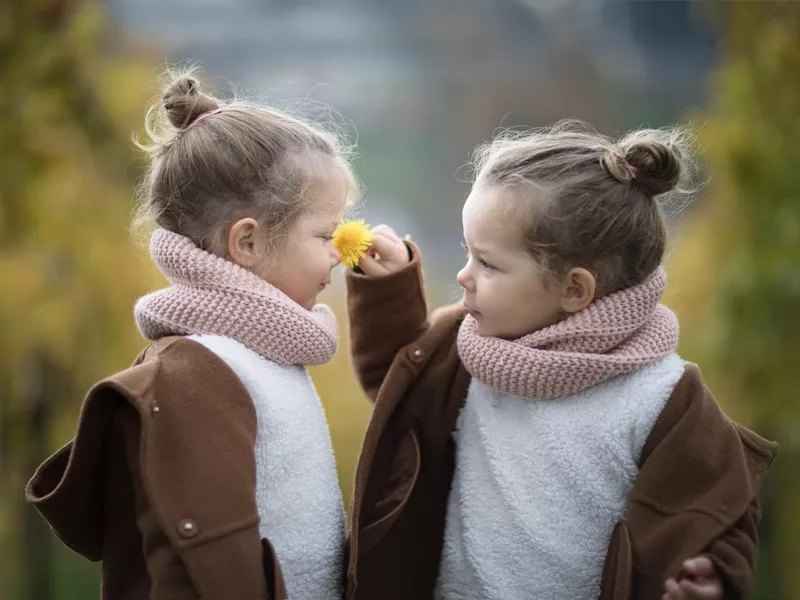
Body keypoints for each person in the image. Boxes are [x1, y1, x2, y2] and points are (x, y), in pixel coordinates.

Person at [344, 120, 777, 600]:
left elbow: (720, 510)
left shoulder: (660, 395)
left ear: (574, 290)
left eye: (488, 264)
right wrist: (388, 291)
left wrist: (714, 577)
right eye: (469, 254)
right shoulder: (466, 347)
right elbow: (397, 392)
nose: (464, 276)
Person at [26, 69, 356, 600]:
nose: (341, 252)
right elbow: (194, 568)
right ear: (247, 243)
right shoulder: (201, 372)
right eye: (325, 234)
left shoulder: (261, 354)